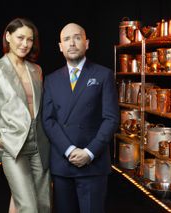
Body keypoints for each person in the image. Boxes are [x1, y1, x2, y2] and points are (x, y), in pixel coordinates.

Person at [42, 23, 120, 213]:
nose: (72, 43)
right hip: (63, 163)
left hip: (94, 163)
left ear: (87, 43)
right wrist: (69, 150)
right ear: (60, 46)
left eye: (77, 37)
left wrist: (89, 152)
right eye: (66, 39)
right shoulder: (51, 80)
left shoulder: (103, 75)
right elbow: (48, 120)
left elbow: (111, 119)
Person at [0, 17, 51, 213]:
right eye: (20, 37)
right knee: (28, 206)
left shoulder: (36, 70)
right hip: (12, 145)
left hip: (40, 143)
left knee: (44, 205)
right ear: (8, 36)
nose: (25, 44)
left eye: (30, 39)